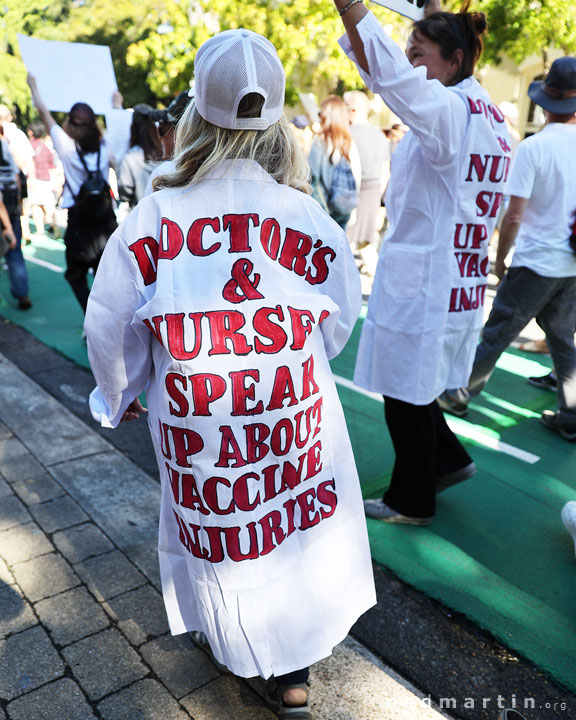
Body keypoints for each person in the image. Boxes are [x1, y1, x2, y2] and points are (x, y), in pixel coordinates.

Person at [84, 28, 376, 719]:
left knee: (223, 530)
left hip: (202, 425)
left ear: (194, 117)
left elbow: (108, 327)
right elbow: (337, 324)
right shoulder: (306, 215)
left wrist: (119, 392)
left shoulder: (152, 218)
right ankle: (294, 671)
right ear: (274, 122)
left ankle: (232, 639)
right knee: (291, 527)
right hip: (292, 412)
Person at [336, 0, 511, 524]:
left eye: (421, 54)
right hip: (451, 273)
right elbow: (388, 75)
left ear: (453, 61)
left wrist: (351, 8)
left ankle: (410, 500)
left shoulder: (449, 112)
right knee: (415, 381)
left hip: (429, 273)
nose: (410, 65)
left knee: (404, 388)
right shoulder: (486, 112)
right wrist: (428, 17)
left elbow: (391, 76)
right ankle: (449, 460)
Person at [439, 57, 576, 442]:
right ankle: (572, 414)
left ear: (546, 103)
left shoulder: (534, 148)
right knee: (563, 339)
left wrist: (500, 261)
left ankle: (458, 393)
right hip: (571, 260)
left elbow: (513, 215)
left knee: (497, 332)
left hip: (536, 259)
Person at [27, 75, 117, 313]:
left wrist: (34, 87)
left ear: (71, 125)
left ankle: (92, 317)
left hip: (80, 223)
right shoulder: (105, 145)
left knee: (75, 274)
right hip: (106, 223)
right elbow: (117, 125)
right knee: (104, 274)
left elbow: (44, 113)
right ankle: (105, 319)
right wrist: (116, 103)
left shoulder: (67, 147)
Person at [343, 89, 390, 273]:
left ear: (353, 109)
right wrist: (378, 198)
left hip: (351, 190)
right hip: (374, 190)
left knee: (347, 236)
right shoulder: (379, 135)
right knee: (366, 241)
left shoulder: (346, 134)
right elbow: (386, 170)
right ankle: (378, 273)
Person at [308, 94, 361, 229]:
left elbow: (313, 179)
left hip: (326, 209)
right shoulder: (349, 142)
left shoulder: (320, 142)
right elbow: (357, 177)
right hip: (345, 208)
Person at [0, 128, 32, 309]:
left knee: (13, 249)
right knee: (15, 251)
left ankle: (22, 294)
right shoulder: (6, 147)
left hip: (5, 209)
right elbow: (18, 178)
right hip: (11, 206)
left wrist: (7, 226)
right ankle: (22, 294)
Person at [117, 104, 163, 208]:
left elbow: (124, 191)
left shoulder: (129, 157)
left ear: (133, 126)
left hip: (141, 216)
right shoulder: (166, 152)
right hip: (166, 218)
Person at [26, 121, 57, 236]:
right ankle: (53, 225)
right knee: (48, 204)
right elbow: (52, 166)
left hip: (34, 179)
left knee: (36, 205)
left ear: (31, 132)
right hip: (46, 179)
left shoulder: (29, 145)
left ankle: (40, 230)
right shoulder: (45, 147)